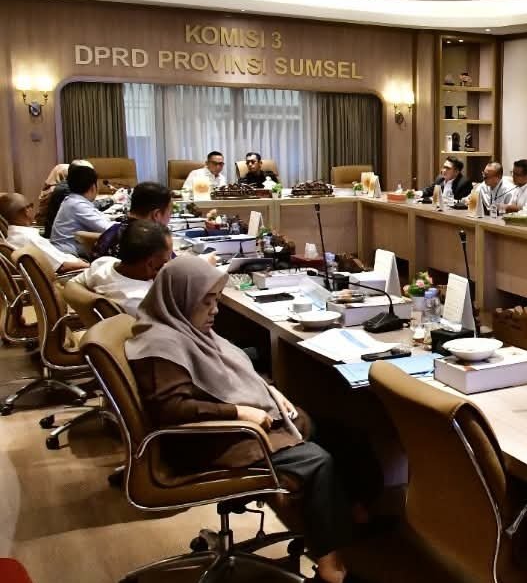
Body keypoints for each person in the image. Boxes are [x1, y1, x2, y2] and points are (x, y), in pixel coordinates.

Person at [126, 257, 371, 583]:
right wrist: (239, 412)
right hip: (206, 440)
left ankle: (349, 522)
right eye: (207, 302)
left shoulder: (185, 328)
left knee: (340, 434)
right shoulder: (160, 344)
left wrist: (268, 391)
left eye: (215, 301)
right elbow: (173, 409)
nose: (215, 310)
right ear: (180, 298)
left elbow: (230, 372)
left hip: (231, 428)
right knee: (317, 462)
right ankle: (331, 568)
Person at [73, 220, 171, 315]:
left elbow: (73, 285)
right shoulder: (141, 301)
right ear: (150, 264)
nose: (169, 262)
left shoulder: (103, 263)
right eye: (166, 260)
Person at [0, 193, 88, 273]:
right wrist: (90, 267)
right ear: (26, 211)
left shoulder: (12, 237)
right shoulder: (29, 238)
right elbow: (62, 266)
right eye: (31, 205)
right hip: (71, 275)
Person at [93, 181, 173, 260]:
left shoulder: (111, 231)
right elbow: (174, 269)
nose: (169, 218)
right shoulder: (155, 242)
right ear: (156, 214)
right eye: (170, 213)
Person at [49, 163, 113, 256]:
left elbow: (98, 217)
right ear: (93, 187)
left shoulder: (73, 200)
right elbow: (108, 229)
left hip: (67, 253)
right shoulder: (77, 205)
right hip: (70, 257)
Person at [41, 159, 93, 236]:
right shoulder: (65, 189)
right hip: (59, 237)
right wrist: (111, 200)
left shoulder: (68, 186)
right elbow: (83, 207)